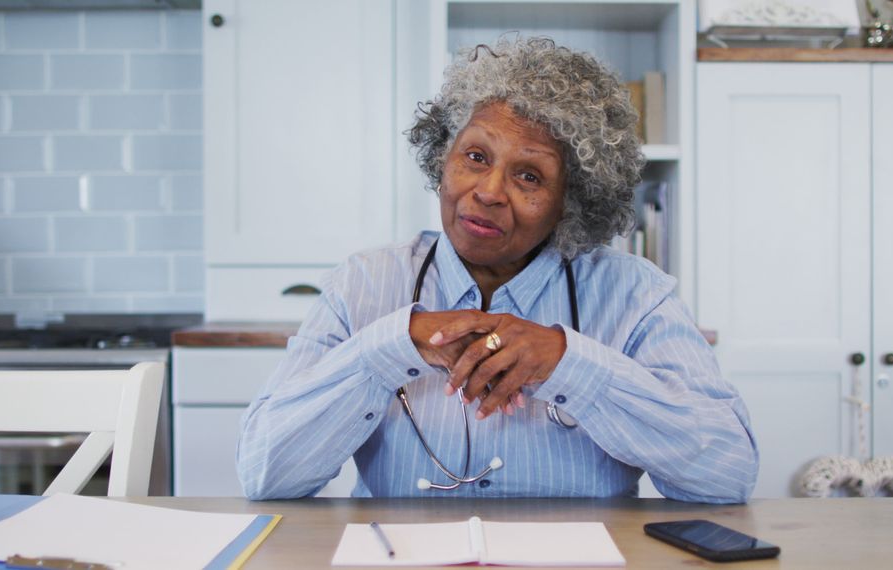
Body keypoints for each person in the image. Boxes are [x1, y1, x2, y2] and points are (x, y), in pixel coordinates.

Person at [237, 37, 758, 502]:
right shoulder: (364, 284)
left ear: (570, 202)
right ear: (443, 158)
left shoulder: (634, 294)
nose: (487, 192)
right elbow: (265, 474)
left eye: (528, 176)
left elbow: (727, 475)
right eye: (476, 156)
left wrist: (571, 363)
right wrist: (388, 348)